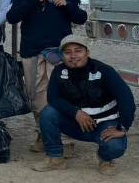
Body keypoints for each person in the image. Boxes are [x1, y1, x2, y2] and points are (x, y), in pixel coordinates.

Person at [7, 0, 88, 154]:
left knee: (63, 95)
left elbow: (81, 18)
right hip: (32, 51)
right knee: (36, 96)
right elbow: (12, 17)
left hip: (60, 53)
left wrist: (67, 5)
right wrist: (34, 0)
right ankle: (43, 135)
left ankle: (65, 140)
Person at [32, 35, 134, 175]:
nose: (73, 56)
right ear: (62, 56)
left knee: (115, 146)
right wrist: (76, 113)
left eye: (78, 51)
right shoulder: (59, 71)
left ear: (87, 52)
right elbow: (53, 98)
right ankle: (55, 158)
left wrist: (123, 127)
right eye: (67, 52)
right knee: (48, 113)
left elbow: (126, 99)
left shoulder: (104, 71)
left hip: (104, 124)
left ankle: (105, 158)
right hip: (75, 124)